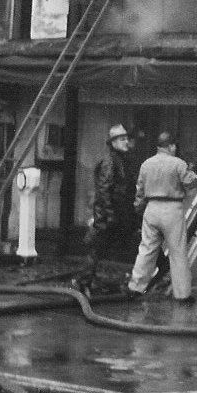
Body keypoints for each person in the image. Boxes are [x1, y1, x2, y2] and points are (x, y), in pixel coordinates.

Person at [127, 131, 197, 303]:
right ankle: (182, 295)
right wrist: (192, 172)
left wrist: (139, 209)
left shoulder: (146, 164)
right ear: (171, 146)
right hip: (172, 209)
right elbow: (190, 182)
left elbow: (140, 191)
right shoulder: (178, 164)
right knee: (177, 252)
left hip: (151, 208)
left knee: (146, 249)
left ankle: (135, 288)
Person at [77, 123, 138, 291]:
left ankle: (86, 281)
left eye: (126, 138)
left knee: (99, 249)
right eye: (122, 139)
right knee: (97, 249)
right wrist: (110, 215)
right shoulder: (110, 162)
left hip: (116, 215)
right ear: (113, 142)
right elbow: (104, 190)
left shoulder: (120, 160)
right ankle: (83, 283)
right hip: (109, 216)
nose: (126, 142)